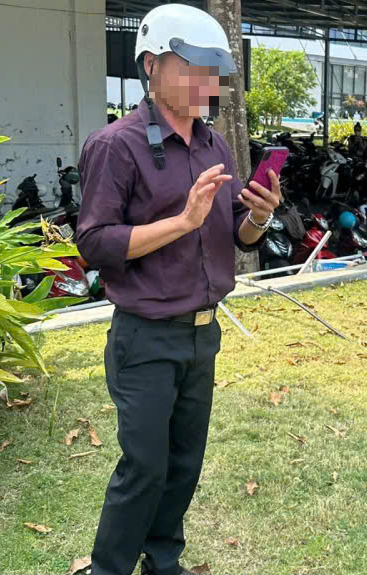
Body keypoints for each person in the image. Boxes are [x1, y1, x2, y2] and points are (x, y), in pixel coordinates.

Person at [74, 5, 281, 574]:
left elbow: (233, 235)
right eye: (191, 67)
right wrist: (181, 222)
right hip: (144, 337)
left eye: (212, 71)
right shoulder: (116, 145)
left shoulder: (214, 146)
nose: (205, 83)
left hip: (201, 335)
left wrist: (260, 217)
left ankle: (163, 563)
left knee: (184, 463)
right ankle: (109, 568)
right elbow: (94, 242)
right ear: (151, 65)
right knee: (144, 468)